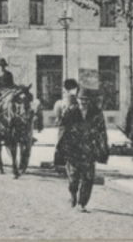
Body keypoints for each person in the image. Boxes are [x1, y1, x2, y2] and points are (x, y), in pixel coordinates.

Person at [54, 79, 108, 212]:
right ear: (77, 99)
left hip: (89, 149)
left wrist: (103, 147)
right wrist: (61, 148)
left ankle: (82, 203)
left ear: (89, 101)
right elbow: (63, 129)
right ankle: (73, 195)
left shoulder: (97, 113)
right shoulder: (71, 111)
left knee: (88, 178)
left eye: (86, 100)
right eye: (81, 100)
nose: (83, 102)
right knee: (73, 178)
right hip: (74, 149)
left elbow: (102, 131)